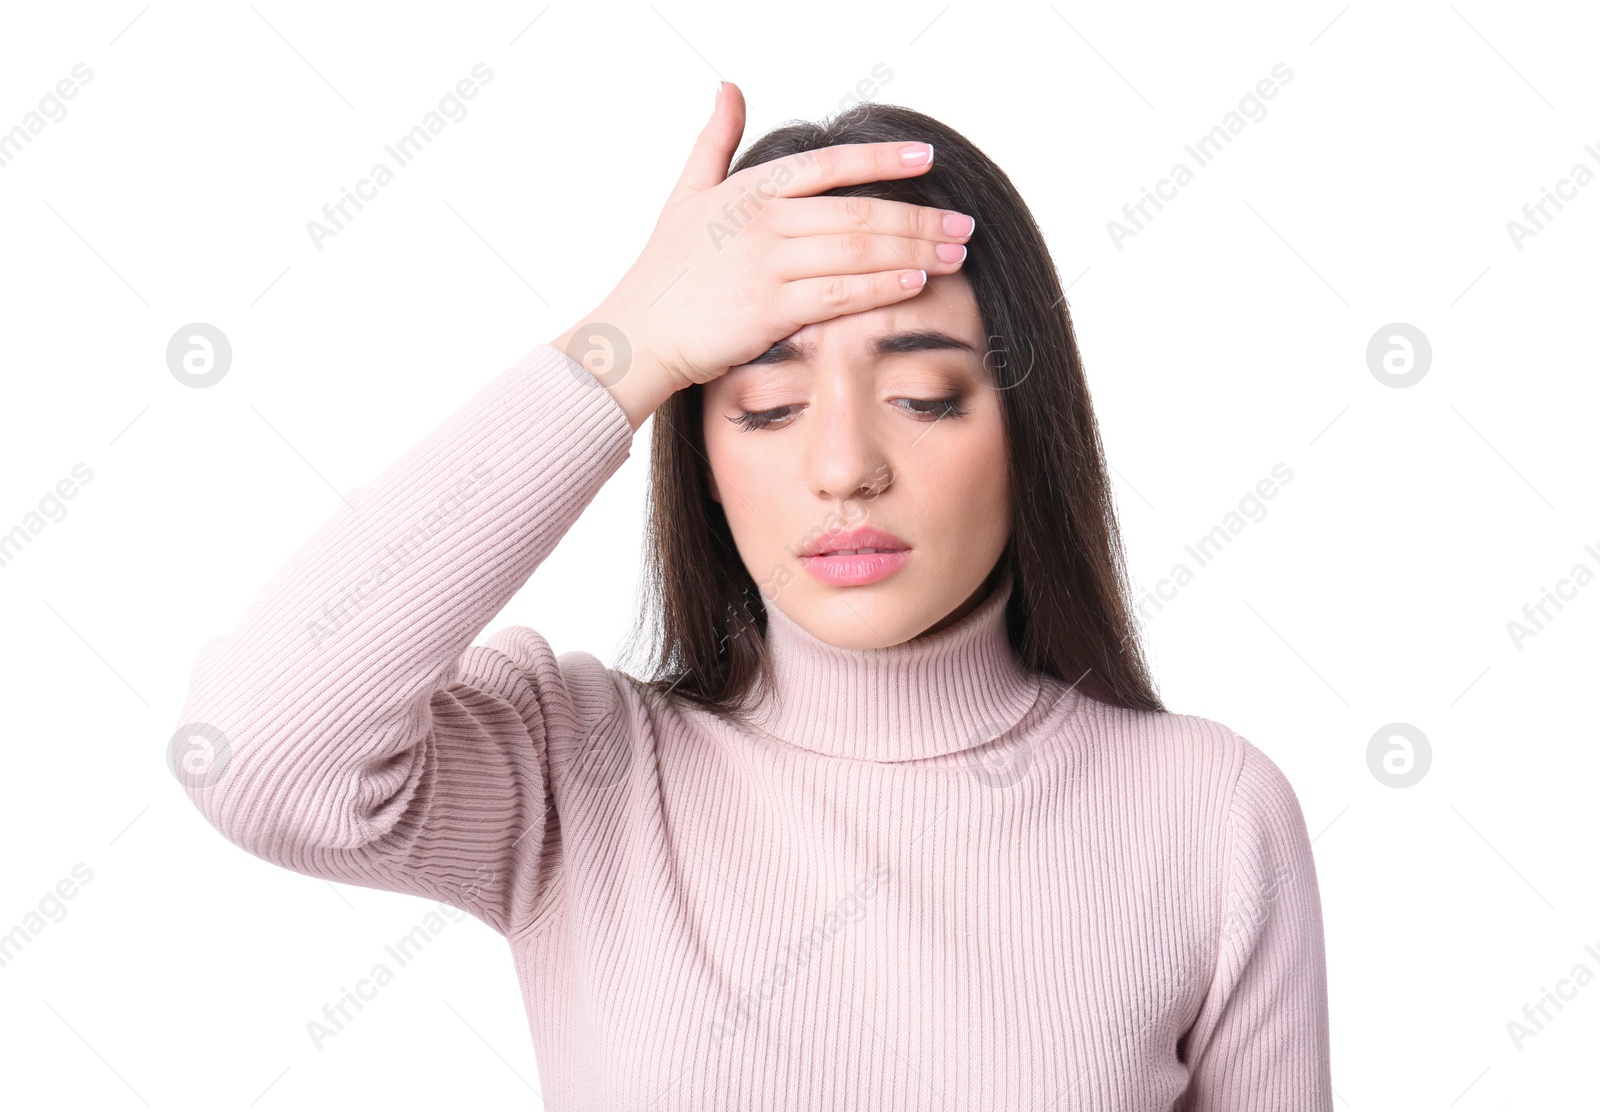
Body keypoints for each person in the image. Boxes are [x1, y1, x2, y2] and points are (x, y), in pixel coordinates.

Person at [170, 81, 1332, 1109]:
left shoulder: (1209, 816)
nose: (843, 466)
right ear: (705, 462)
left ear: (1028, 433)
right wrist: (624, 347)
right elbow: (256, 750)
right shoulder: (582, 768)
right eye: (768, 408)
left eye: (924, 396)